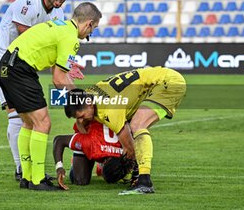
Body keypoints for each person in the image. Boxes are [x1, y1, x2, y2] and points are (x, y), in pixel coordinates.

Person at [0, 2, 102, 191]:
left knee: (29, 123)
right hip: (20, 70)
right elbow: (58, 79)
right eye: (92, 29)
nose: (90, 34)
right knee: (43, 123)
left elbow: (60, 71)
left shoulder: (61, 26)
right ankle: (37, 180)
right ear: (89, 24)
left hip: (6, 67)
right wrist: (81, 103)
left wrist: (74, 90)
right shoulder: (71, 38)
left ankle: (27, 177)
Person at [0, 0, 73, 181]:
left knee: (28, 118)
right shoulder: (27, 3)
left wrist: (65, 64)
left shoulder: (58, 13)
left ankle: (29, 171)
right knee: (17, 115)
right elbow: (28, 41)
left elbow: (51, 48)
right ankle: (21, 169)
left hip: (22, 64)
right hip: (3, 60)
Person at [64, 66, 186, 195]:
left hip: (168, 83)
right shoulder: (88, 94)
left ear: (89, 104)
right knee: (134, 125)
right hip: (156, 80)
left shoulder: (110, 111)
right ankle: (139, 178)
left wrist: (119, 168)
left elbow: (130, 148)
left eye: (82, 116)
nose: (81, 120)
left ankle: (144, 182)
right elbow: (80, 118)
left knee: (137, 126)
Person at [53, 120, 124, 187]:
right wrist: (59, 167)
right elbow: (59, 140)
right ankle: (76, 160)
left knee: (114, 177)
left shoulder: (127, 149)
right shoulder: (90, 143)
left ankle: (101, 168)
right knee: (80, 180)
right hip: (87, 135)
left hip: (100, 142)